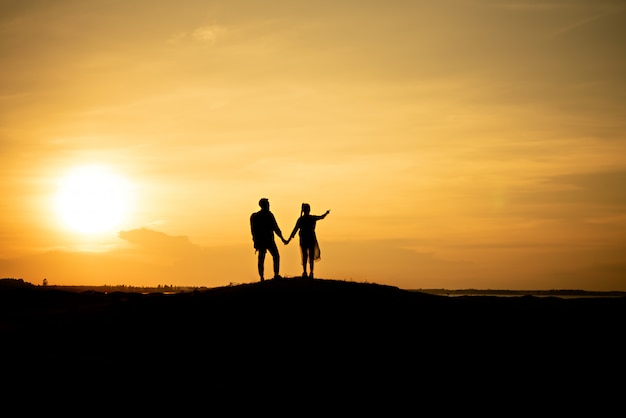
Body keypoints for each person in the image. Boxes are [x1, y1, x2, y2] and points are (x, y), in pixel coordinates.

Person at [286, 203, 330, 279]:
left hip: (304, 238)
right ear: (309, 210)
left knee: (305, 256)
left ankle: (305, 272)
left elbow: (295, 230)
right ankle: (311, 272)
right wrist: (326, 213)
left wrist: (289, 239)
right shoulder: (311, 218)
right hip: (310, 238)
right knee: (310, 256)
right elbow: (321, 217)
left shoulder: (301, 219)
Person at [250, 198, 288, 282]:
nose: (269, 206)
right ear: (263, 205)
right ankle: (267, 276)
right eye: (267, 204)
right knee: (266, 257)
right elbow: (276, 228)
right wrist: (283, 239)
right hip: (266, 240)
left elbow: (275, 228)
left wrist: (282, 239)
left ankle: (270, 275)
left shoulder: (260, 216)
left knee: (267, 257)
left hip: (266, 240)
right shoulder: (260, 216)